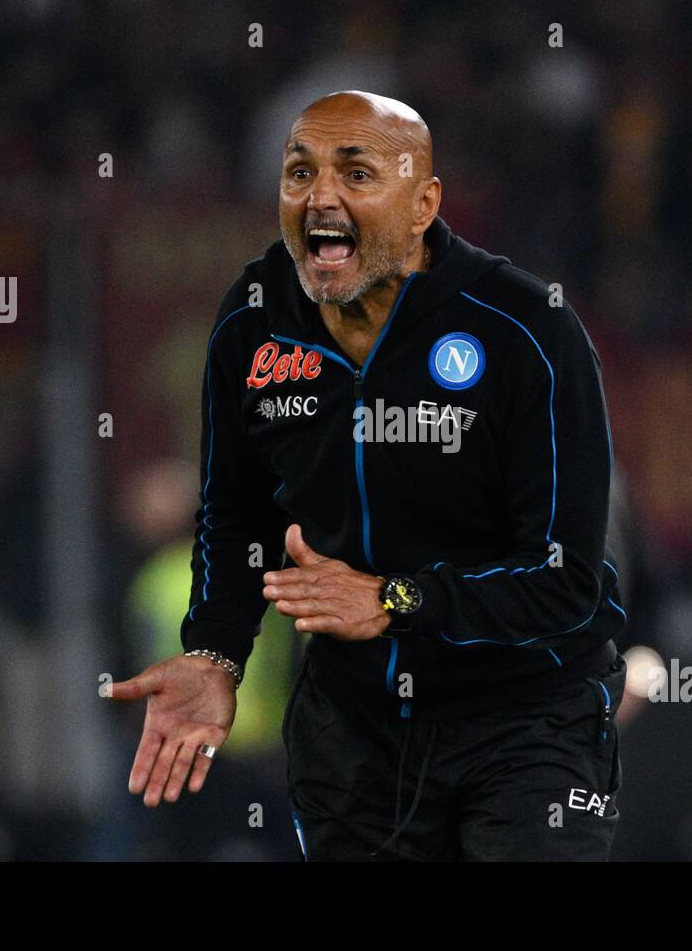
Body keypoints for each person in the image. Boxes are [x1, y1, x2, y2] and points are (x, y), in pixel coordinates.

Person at [111, 90, 628, 860]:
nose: (321, 196)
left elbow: (567, 581)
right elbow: (234, 518)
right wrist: (217, 653)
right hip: (353, 734)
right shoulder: (253, 322)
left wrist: (396, 600)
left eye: (356, 174)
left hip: (528, 720)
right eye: (300, 173)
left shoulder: (528, 330)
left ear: (423, 204)